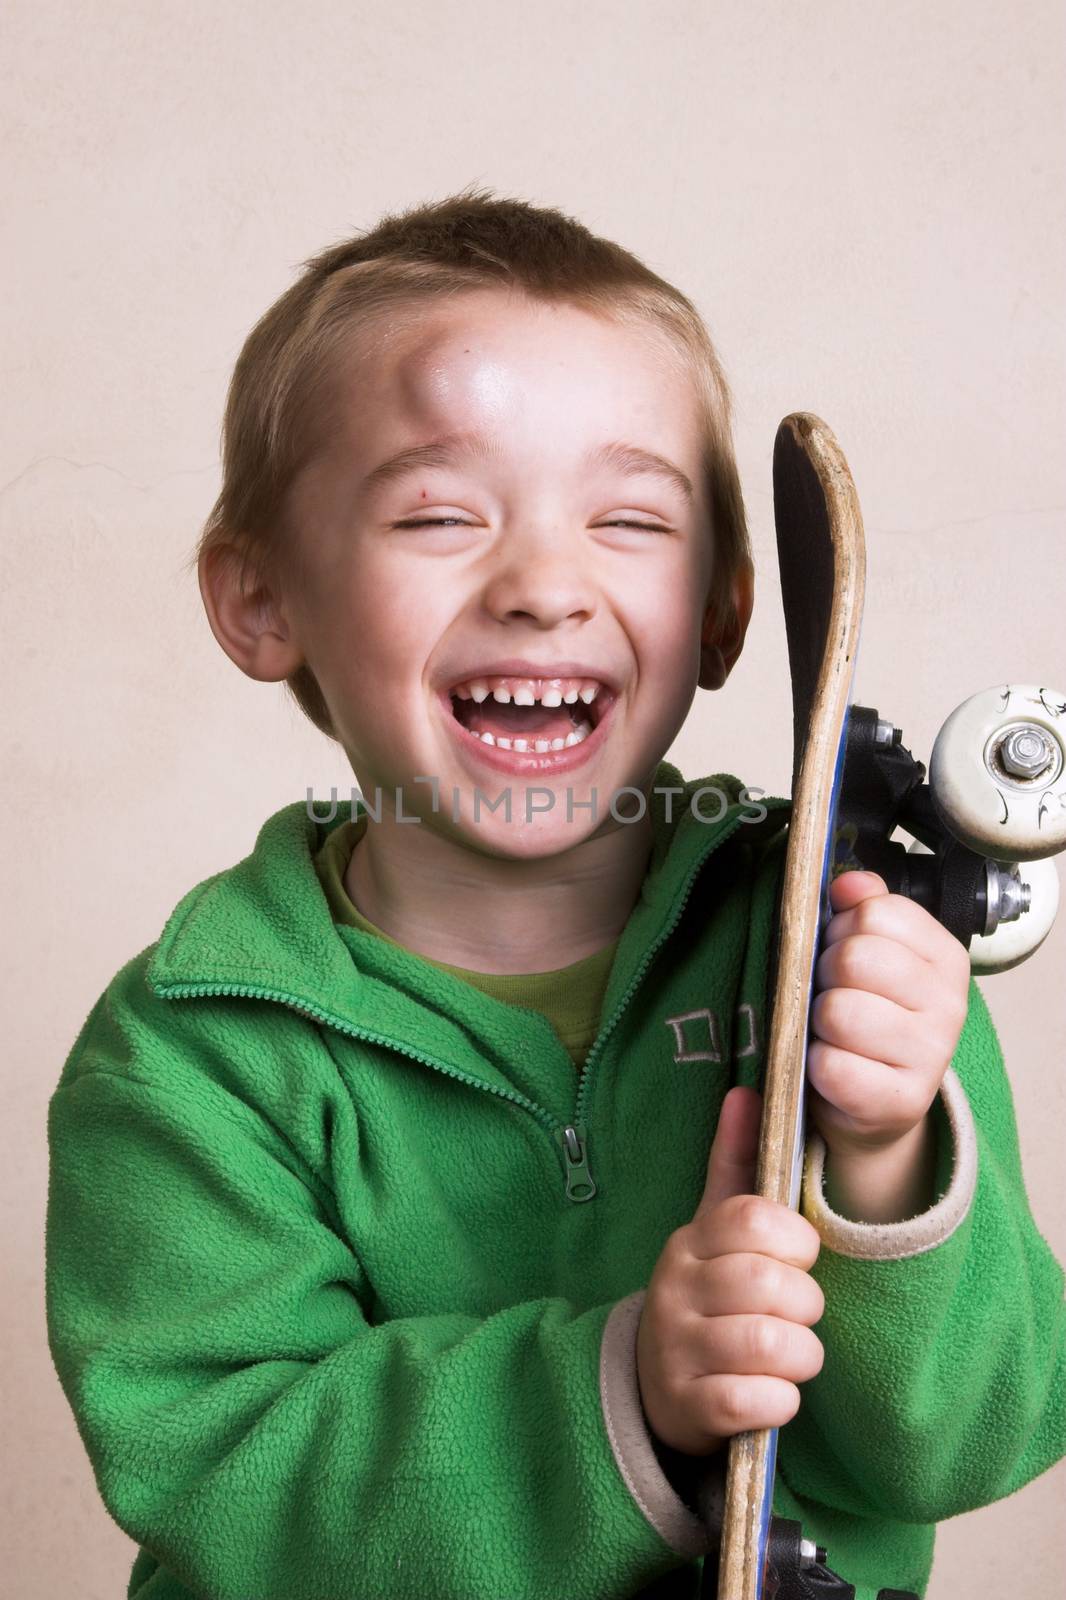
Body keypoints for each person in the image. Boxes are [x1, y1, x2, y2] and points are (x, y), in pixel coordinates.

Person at [45, 189, 1064, 1600]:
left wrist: (885, 1158)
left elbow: (969, 1443)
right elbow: (220, 1479)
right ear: (261, 601)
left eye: (630, 518)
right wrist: (624, 1387)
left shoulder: (842, 947)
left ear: (721, 614)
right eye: (438, 512)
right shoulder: (190, 1052)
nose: (542, 584)